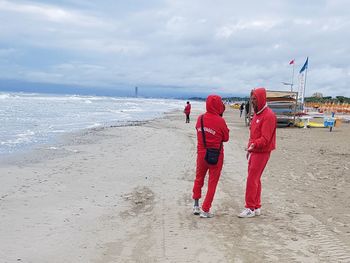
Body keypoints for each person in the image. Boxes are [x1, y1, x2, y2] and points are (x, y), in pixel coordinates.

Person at [238, 87, 276, 218]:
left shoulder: (268, 115)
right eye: (252, 99)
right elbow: (253, 134)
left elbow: (265, 139)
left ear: (261, 98)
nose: (253, 101)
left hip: (262, 152)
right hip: (254, 151)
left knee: (252, 179)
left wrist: (253, 145)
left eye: (255, 99)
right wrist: (250, 147)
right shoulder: (257, 114)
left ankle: (250, 207)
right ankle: (256, 205)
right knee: (255, 178)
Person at [192, 95, 230, 218]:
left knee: (199, 179)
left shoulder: (200, 118)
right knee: (212, 183)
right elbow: (226, 138)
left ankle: (196, 205)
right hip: (216, 155)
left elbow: (198, 130)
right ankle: (206, 209)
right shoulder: (220, 121)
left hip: (201, 154)